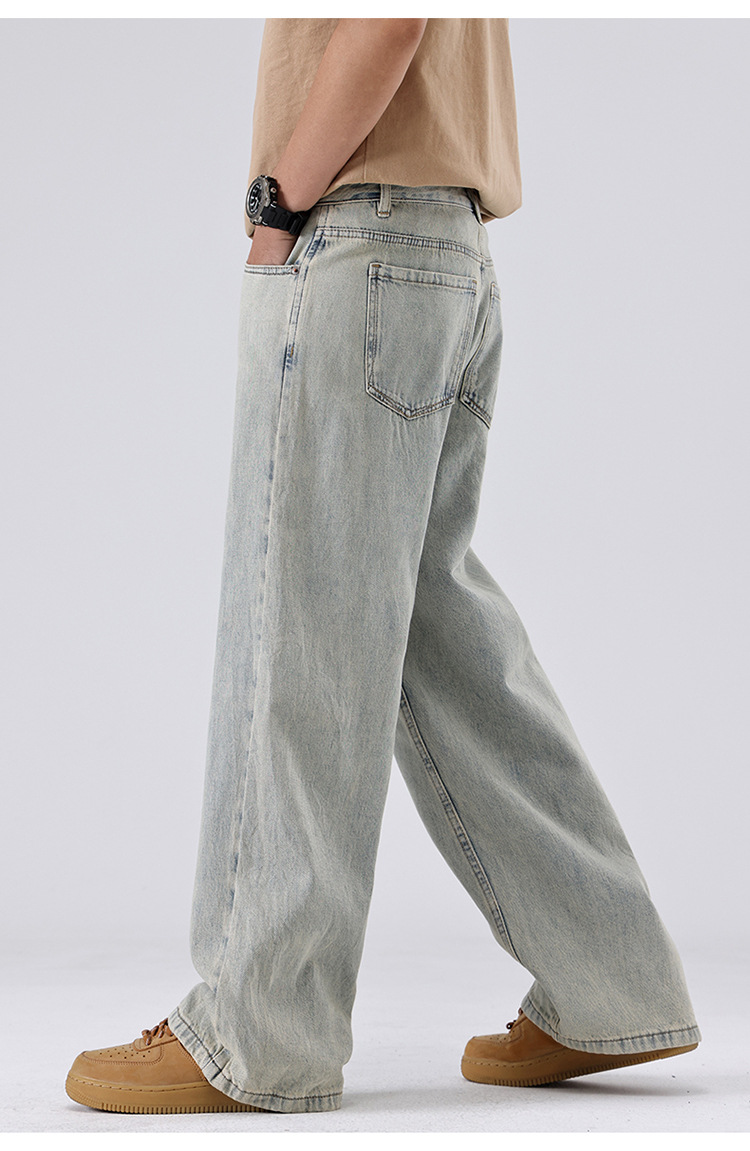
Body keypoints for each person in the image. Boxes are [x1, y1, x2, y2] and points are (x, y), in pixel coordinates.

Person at [65, 18, 701, 1116]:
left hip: (358, 236)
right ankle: (613, 982)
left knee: (299, 625)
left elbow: (388, 18)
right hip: (448, 251)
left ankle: (258, 1030)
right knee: (434, 639)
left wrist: (279, 201)